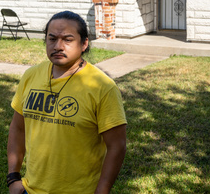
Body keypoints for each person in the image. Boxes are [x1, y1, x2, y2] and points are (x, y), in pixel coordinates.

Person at [7, 11, 127, 194]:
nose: (58, 46)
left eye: (68, 39)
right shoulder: (31, 76)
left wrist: (102, 191)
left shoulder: (102, 87)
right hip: (29, 190)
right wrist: (13, 177)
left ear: (84, 43)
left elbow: (116, 146)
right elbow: (18, 128)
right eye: (52, 38)